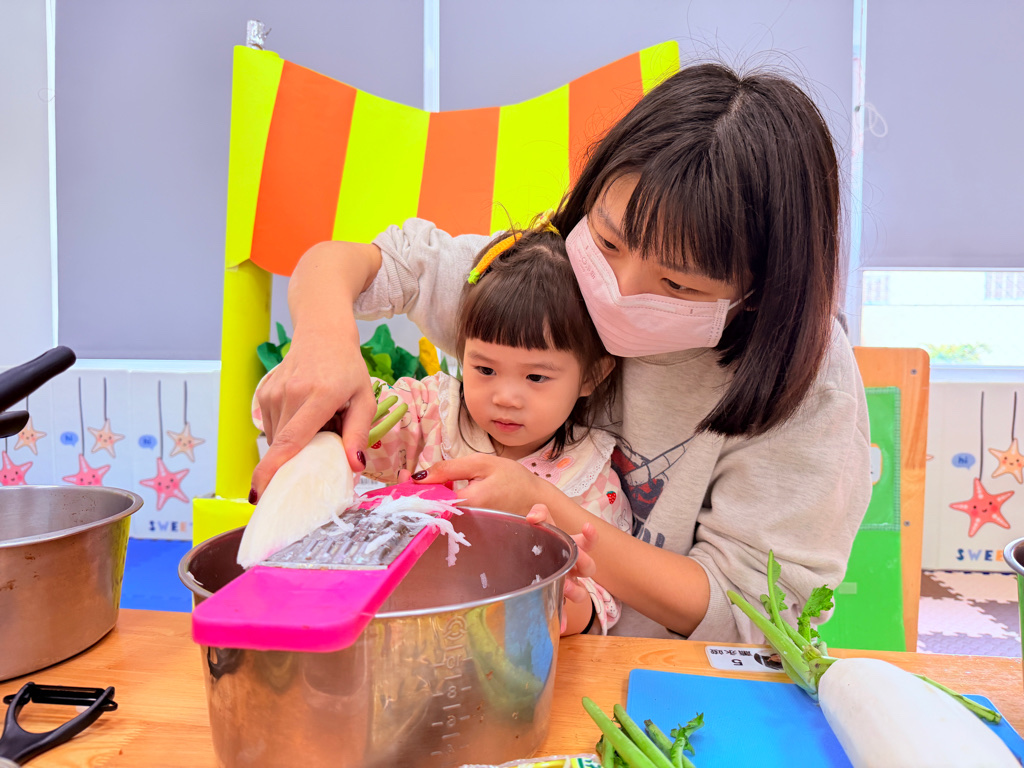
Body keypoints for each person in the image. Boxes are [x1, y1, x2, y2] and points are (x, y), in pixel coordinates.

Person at [251, 62, 872, 643]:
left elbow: (754, 613)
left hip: (650, 678)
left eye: (676, 285)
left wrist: (544, 510)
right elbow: (363, 263)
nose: (618, 289)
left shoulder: (808, 383)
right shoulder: (547, 275)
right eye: (608, 242)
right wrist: (323, 340)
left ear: (761, 293)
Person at [252, 218, 629, 635]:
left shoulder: (593, 479)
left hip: (507, 651)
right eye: (485, 369)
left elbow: (600, 601)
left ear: (591, 376)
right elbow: (334, 420)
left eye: (536, 377)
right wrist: (332, 409)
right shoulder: (428, 414)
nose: (505, 397)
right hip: (398, 632)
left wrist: (566, 602)